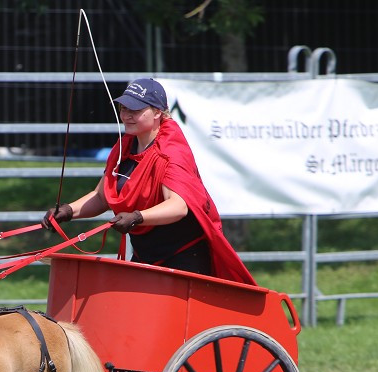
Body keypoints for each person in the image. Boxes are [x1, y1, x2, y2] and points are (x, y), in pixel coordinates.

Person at [42, 78, 255, 285]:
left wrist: (137, 217)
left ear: (157, 113)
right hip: (145, 255)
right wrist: (68, 211)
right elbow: (102, 196)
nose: (126, 116)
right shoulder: (125, 147)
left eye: (135, 110)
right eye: (124, 109)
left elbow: (178, 206)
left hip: (184, 257)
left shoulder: (171, 153)